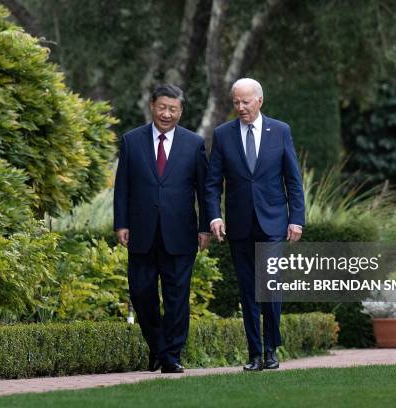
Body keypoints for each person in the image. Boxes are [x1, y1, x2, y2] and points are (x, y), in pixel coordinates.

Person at [205, 78, 305, 371]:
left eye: (246, 102)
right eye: (236, 102)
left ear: (259, 101)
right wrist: (214, 215)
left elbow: (293, 181)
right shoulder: (223, 135)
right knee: (248, 290)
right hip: (239, 225)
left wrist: (296, 219)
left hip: (273, 222)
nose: (240, 107)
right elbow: (213, 184)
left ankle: (272, 348)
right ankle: (254, 354)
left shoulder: (280, 131)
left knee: (270, 286)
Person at [113, 84, 210, 374]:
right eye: (162, 107)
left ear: (180, 111)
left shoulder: (194, 144)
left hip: (181, 234)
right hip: (141, 233)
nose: (167, 113)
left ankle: (171, 356)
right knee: (141, 293)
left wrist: (205, 227)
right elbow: (123, 187)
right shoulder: (132, 141)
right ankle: (157, 346)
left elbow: (204, 191)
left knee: (177, 296)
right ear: (152, 106)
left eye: (173, 109)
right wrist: (121, 223)